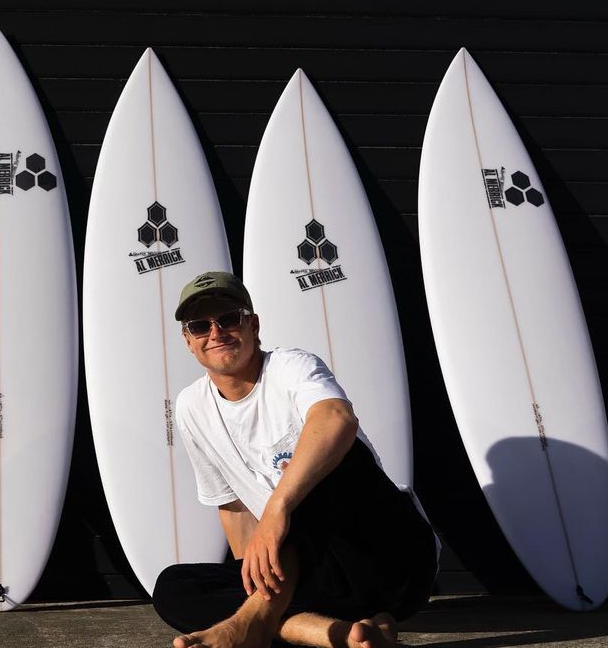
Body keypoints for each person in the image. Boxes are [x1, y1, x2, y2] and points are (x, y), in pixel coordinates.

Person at [152, 271, 438, 648]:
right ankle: (341, 634)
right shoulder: (191, 407)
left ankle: (254, 623)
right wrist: (257, 581)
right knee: (173, 587)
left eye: (229, 319)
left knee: (323, 464)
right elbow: (234, 508)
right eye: (200, 326)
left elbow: (337, 418)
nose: (216, 332)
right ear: (189, 341)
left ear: (253, 325)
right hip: (319, 577)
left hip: (389, 558)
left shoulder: (290, 366)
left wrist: (277, 509)